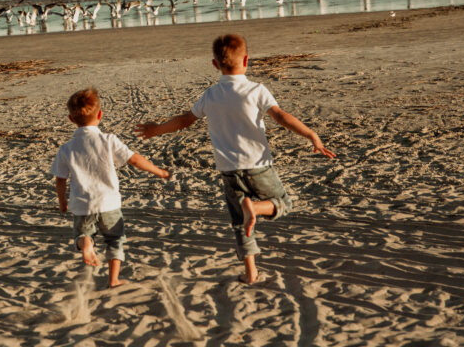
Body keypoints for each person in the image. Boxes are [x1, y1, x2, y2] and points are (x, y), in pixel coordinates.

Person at [134, 34, 336, 284]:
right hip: (258, 166)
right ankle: (258, 208)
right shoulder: (256, 90)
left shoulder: (211, 94)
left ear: (215, 65)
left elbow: (185, 119)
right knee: (283, 202)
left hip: (229, 170)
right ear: (247, 60)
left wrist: (157, 129)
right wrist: (311, 135)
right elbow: (281, 116)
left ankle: (251, 273)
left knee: (240, 223)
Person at [52, 87, 171, 288]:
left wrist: (63, 202)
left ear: (71, 120)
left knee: (82, 235)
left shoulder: (66, 148)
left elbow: (60, 179)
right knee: (115, 240)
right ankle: (113, 279)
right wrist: (159, 171)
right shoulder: (108, 140)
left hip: (82, 206)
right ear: (100, 115)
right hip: (109, 203)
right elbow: (134, 160)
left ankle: (86, 243)